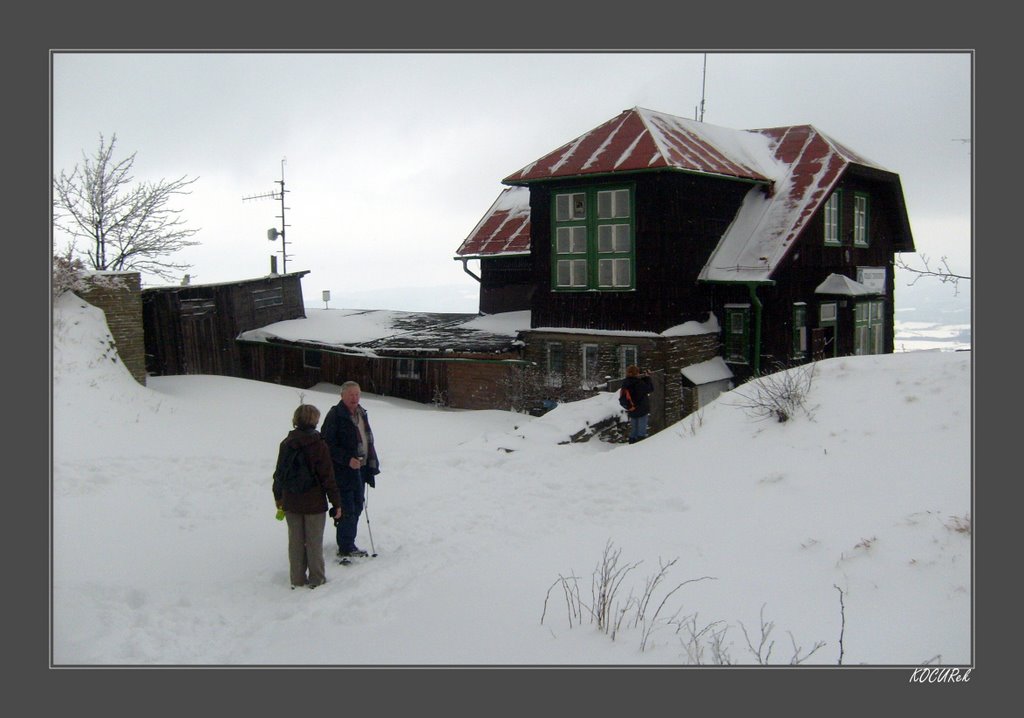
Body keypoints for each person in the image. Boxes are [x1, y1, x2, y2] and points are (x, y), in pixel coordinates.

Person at [272, 404, 343, 589]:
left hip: (291, 501)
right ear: (314, 420)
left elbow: (279, 473)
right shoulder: (319, 445)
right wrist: (336, 503)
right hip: (314, 502)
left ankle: (296, 579)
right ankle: (317, 580)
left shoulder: (287, 443)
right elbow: (328, 477)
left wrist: (278, 498)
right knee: (314, 543)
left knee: (295, 543)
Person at [321, 381, 381, 559]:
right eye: (351, 395)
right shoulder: (335, 415)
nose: (355, 398)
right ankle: (346, 546)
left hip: (361, 469)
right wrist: (347, 459)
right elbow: (326, 444)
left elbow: (368, 440)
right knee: (347, 507)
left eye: (357, 394)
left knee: (358, 504)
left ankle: (347, 539)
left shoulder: (362, 413)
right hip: (343, 471)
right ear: (342, 396)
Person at [619, 365, 654, 444]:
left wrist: (643, 377)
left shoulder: (625, 382)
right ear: (637, 373)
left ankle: (632, 443)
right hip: (641, 409)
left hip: (631, 408)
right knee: (641, 430)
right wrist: (647, 377)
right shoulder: (639, 383)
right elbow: (649, 389)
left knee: (634, 430)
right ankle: (640, 446)